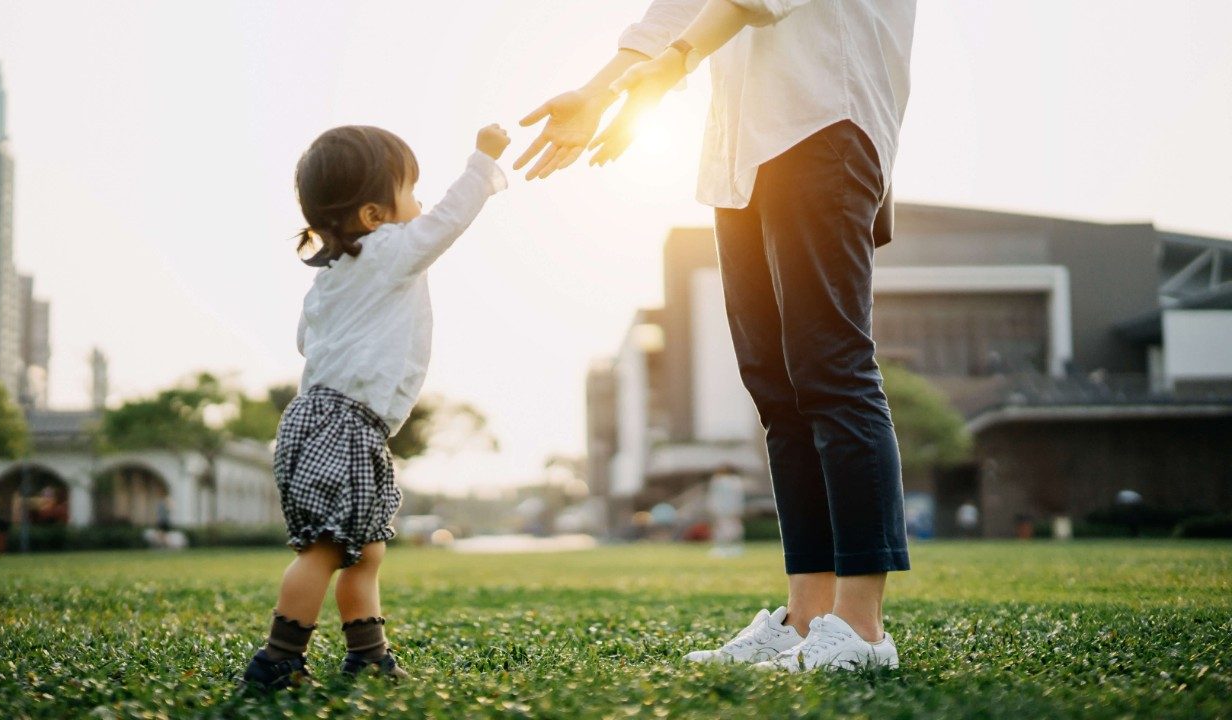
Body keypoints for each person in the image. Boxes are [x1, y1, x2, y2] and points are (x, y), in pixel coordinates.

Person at [517, 0, 915, 672]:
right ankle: (807, 614)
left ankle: (864, 628)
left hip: (825, 118)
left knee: (831, 369)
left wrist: (667, 70)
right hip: (741, 153)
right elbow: (677, 8)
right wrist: (597, 91)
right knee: (778, 393)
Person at [241, 122, 511, 690]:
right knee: (323, 551)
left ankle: (368, 654)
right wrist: (482, 163)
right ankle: (277, 661)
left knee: (364, 552)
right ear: (372, 215)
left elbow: (305, 340)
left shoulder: (330, 279)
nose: (418, 204)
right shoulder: (388, 249)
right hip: (344, 423)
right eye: (410, 191)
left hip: (325, 421)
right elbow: (445, 222)